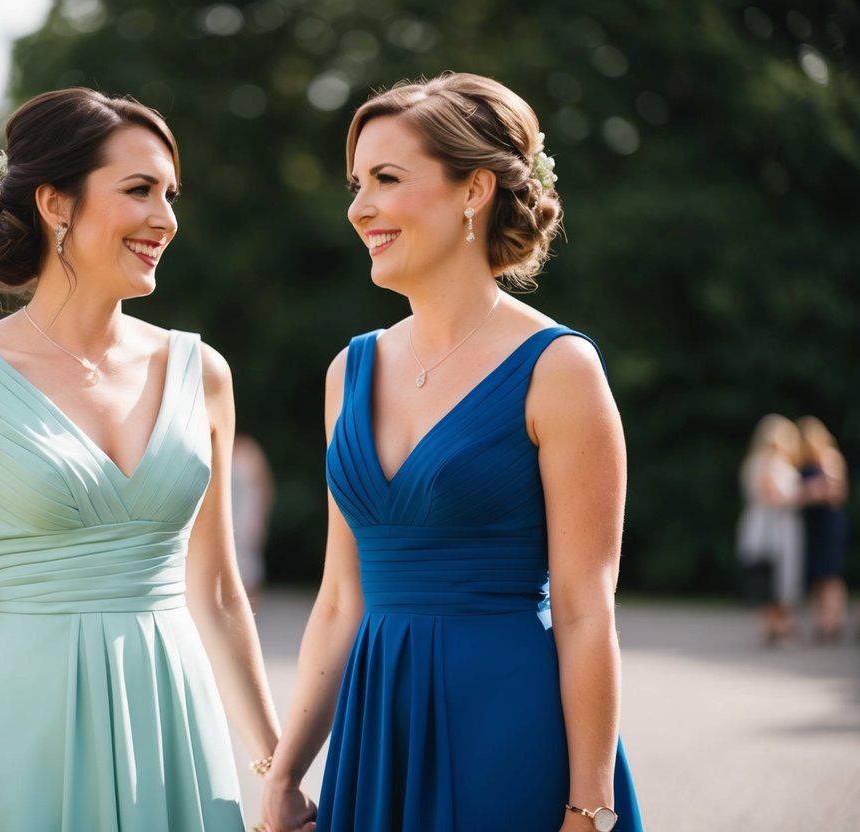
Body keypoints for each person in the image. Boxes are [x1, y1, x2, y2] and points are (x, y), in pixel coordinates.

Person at [0, 88, 280, 831]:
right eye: (138, 190)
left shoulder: (203, 373)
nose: (165, 218)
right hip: (18, 732)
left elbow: (223, 596)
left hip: (175, 730)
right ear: (55, 204)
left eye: (169, 193)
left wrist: (274, 765)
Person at [260, 73, 642, 831]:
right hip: (376, 738)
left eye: (386, 179)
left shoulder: (558, 368)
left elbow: (583, 608)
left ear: (473, 190)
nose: (358, 206)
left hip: (506, 728)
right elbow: (341, 599)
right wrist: (283, 774)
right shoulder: (349, 372)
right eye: (355, 183)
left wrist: (588, 806)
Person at [736, 414, 805, 645]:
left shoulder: (752, 462)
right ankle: (776, 626)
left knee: (771, 577)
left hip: (765, 525)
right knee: (776, 577)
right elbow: (772, 496)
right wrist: (806, 494)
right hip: (774, 527)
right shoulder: (770, 463)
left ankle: (775, 625)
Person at [796, 415, 849, 643]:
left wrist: (808, 492)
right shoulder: (807, 462)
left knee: (830, 575)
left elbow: (835, 493)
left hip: (827, 523)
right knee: (818, 575)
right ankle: (823, 621)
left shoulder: (829, 458)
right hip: (814, 523)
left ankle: (832, 623)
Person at [231, 432, 275, 609]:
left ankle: (249, 615)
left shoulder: (249, 450)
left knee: (248, 572)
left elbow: (264, 486)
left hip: (245, 521)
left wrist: (259, 519)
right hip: (230, 518)